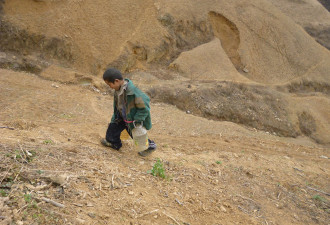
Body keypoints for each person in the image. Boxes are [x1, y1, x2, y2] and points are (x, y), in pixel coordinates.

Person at [100, 68, 157, 157]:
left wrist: (137, 120)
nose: (110, 87)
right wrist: (115, 116)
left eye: (109, 84)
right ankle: (114, 143)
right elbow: (117, 105)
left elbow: (144, 108)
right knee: (112, 130)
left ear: (116, 81)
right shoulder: (118, 90)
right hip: (121, 117)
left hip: (132, 120)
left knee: (136, 135)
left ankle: (150, 147)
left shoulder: (134, 92)